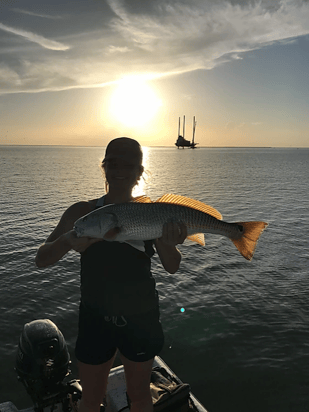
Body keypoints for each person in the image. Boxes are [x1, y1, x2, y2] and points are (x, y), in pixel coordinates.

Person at [35, 137, 187, 412]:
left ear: (140, 171)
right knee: (91, 400)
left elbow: (172, 266)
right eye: (112, 163)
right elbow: (41, 259)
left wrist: (166, 240)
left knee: (140, 397)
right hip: (95, 318)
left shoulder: (151, 213)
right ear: (103, 167)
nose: (119, 170)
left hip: (141, 318)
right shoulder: (82, 213)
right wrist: (68, 241)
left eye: (128, 165)